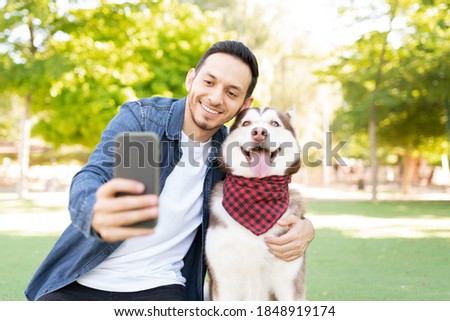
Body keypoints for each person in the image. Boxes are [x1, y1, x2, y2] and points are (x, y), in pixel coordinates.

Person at [25, 40, 315, 301]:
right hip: (82, 278)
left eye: (231, 92)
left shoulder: (233, 153)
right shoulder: (144, 123)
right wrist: (96, 209)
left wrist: (306, 228)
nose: (215, 98)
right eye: (209, 82)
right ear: (191, 79)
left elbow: (270, 194)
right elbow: (95, 174)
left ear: (244, 105)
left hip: (160, 287)